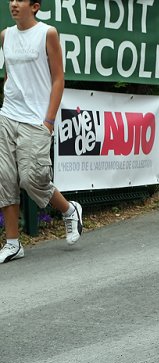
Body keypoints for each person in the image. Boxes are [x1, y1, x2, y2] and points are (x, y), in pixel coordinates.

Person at [0, 0, 83, 264]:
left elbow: (59, 78)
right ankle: (12, 243)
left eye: (20, 0)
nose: (13, 4)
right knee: (4, 178)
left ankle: (69, 210)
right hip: (8, 115)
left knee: (31, 177)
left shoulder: (47, 33)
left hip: (36, 119)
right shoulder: (5, 35)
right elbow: (9, 75)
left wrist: (48, 120)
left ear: (34, 6)